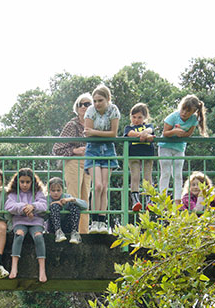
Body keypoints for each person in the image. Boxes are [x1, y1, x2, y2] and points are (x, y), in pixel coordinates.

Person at [83, 84, 120, 234]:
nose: (97, 104)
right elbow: (87, 133)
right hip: (93, 150)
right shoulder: (90, 111)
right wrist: (96, 133)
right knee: (97, 185)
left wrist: (95, 132)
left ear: (108, 99)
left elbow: (113, 134)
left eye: (100, 100)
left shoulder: (113, 110)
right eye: (95, 101)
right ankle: (94, 221)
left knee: (105, 187)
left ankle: (102, 221)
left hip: (108, 150)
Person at [52, 93, 91, 235]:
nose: (84, 107)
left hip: (88, 164)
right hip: (74, 162)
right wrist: (75, 150)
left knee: (86, 198)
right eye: (81, 104)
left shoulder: (93, 125)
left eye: (87, 104)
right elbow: (57, 148)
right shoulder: (72, 125)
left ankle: (84, 232)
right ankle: (72, 231)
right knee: (74, 196)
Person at [158, 95, 207, 200]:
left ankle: (177, 199)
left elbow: (189, 133)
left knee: (178, 174)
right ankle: (162, 197)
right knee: (166, 173)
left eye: (188, 111)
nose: (184, 113)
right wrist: (174, 132)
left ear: (193, 112)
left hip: (179, 148)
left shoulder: (194, 119)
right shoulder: (173, 117)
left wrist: (182, 134)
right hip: (165, 147)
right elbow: (165, 133)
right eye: (183, 109)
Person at [4, 168, 48, 282]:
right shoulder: (14, 193)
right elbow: (9, 206)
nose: (24, 185)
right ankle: (14, 267)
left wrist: (33, 206)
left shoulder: (37, 192)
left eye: (27, 182)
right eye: (22, 182)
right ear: (17, 182)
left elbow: (43, 204)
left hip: (36, 221)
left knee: (38, 237)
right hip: (20, 221)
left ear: (32, 182)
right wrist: (24, 208)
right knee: (19, 235)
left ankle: (42, 270)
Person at [123, 103, 157, 212]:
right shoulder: (128, 127)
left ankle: (149, 200)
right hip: (133, 154)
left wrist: (146, 133)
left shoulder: (148, 126)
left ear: (145, 118)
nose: (136, 120)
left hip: (147, 154)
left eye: (139, 117)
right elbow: (130, 133)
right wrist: (143, 136)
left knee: (148, 177)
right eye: (134, 117)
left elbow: (150, 130)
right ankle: (135, 200)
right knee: (135, 176)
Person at [45, 177, 86, 245]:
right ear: (49, 190)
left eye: (58, 190)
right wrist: (53, 204)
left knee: (74, 206)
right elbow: (43, 214)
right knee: (54, 206)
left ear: (62, 190)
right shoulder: (47, 199)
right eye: (53, 190)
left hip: (67, 225)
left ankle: (74, 232)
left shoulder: (66, 197)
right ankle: (58, 232)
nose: (56, 193)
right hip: (53, 227)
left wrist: (72, 199)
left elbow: (85, 206)